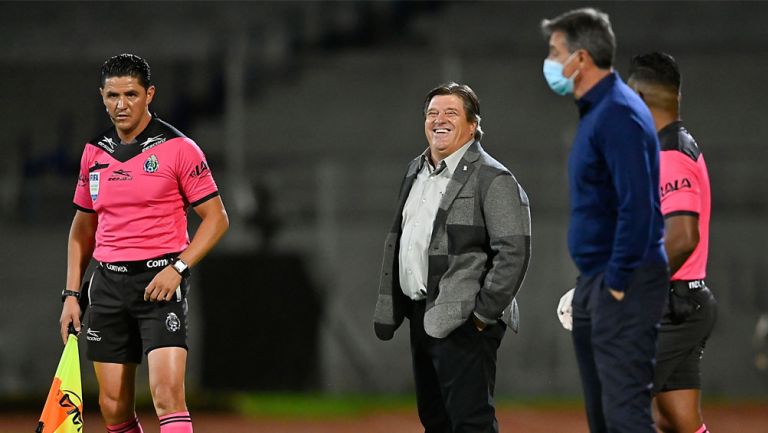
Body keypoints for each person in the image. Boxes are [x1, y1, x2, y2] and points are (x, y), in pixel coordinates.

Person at [58, 53, 229, 433]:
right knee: (113, 406)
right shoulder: (94, 151)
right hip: (106, 287)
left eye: (131, 95)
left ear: (149, 94)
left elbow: (217, 219)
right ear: (102, 96)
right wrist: (71, 294)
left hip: (160, 285)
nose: (121, 105)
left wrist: (179, 268)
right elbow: (81, 229)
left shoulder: (180, 148)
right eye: (112, 96)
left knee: (167, 395)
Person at [373, 82, 531, 433]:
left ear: (473, 125)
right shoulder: (415, 171)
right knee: (436, 421)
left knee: (471, 423)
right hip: (421, 315)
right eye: (432, 113)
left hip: (464, 320)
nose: (438, 120)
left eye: (450, 113)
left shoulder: (494, 177)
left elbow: (514, 251)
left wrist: (481, 315)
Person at [541, 8, 669, 433]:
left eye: (556, 51)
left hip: (623, 281)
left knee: (624, 418)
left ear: (581, 59)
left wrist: (616, 281)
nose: (551, 60)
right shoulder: (599, 112)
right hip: (597, 280)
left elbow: (640, 206)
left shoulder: (617, 112)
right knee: (604, 419)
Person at [628, 52, 716, 433]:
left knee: (619, 405)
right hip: (684, 301)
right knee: (676, 418)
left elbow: (682, 237)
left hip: (670, 308)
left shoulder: (669, 153)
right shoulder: (675, 145)